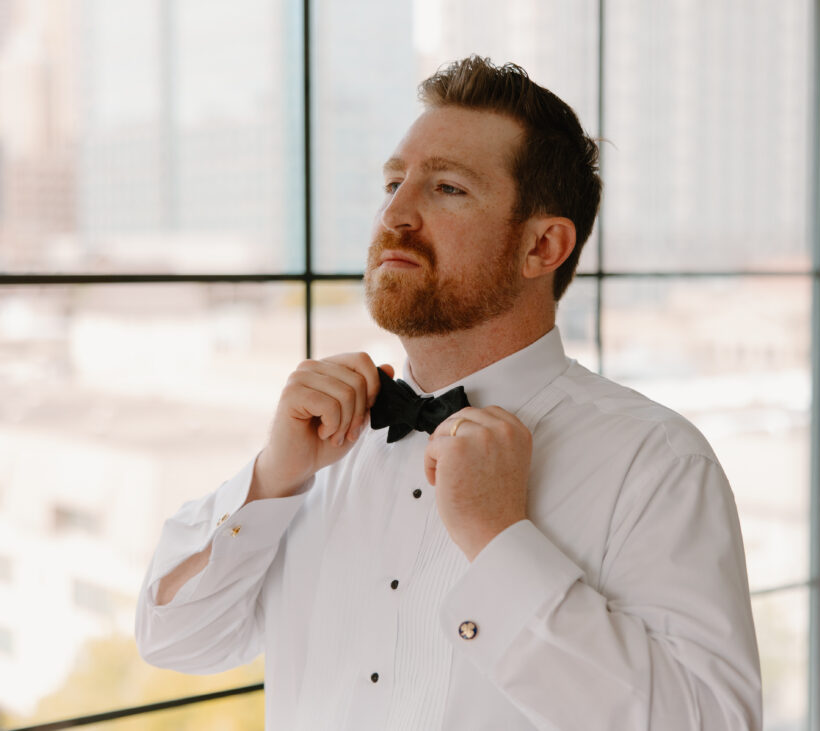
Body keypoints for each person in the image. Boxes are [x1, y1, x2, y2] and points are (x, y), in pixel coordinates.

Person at [136, 56, 761, 730]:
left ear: (542, 245)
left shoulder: (656, 462)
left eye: (447, 188)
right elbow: (175, 638)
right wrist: (269, 481)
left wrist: (500, 541)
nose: (395, 213)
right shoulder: (320, 445)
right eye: (394, 181)